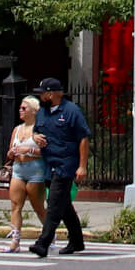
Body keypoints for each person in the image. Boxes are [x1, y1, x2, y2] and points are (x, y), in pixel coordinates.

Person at [26, 76, 91, 258]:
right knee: (64, 205)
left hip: (66, 164)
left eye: (42, 93)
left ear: (52, 94)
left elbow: (83, 138)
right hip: (49, 164)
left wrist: (82, 166)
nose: (40, 97)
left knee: (54, 204)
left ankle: (43, 243)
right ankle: (77, 241)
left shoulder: (71, 111)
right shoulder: (42, 112)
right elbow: (36, 130)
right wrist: (35, 136)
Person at [1, 94, 47, 253]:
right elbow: (9, 152)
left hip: (36, 169)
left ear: (34, 111)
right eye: (20, 108)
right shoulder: (17, 129)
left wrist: (29, 149)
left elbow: (47, 151)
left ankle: (49, 234)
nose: (20, 110)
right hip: (18, 168)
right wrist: (12, 153)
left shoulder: (40, 129)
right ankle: (15, 240)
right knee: (15, 205)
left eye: (24, 108)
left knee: (38, 206)